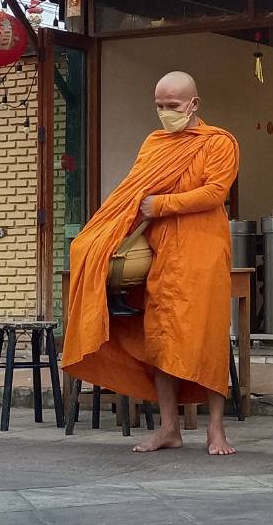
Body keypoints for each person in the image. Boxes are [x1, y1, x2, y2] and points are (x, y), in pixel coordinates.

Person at [63, 72, 240, 455]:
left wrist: (163, 205)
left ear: (194, 104)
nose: (165, 113)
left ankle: (215, 429)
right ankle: (168, 428)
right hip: (162, 254)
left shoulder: (218, 142)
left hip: (203, 252)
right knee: (160, 339)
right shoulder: (154, 143)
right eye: (159, 106)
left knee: (207, 339)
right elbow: (133, 193)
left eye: (172, 106)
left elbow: (214, 192)